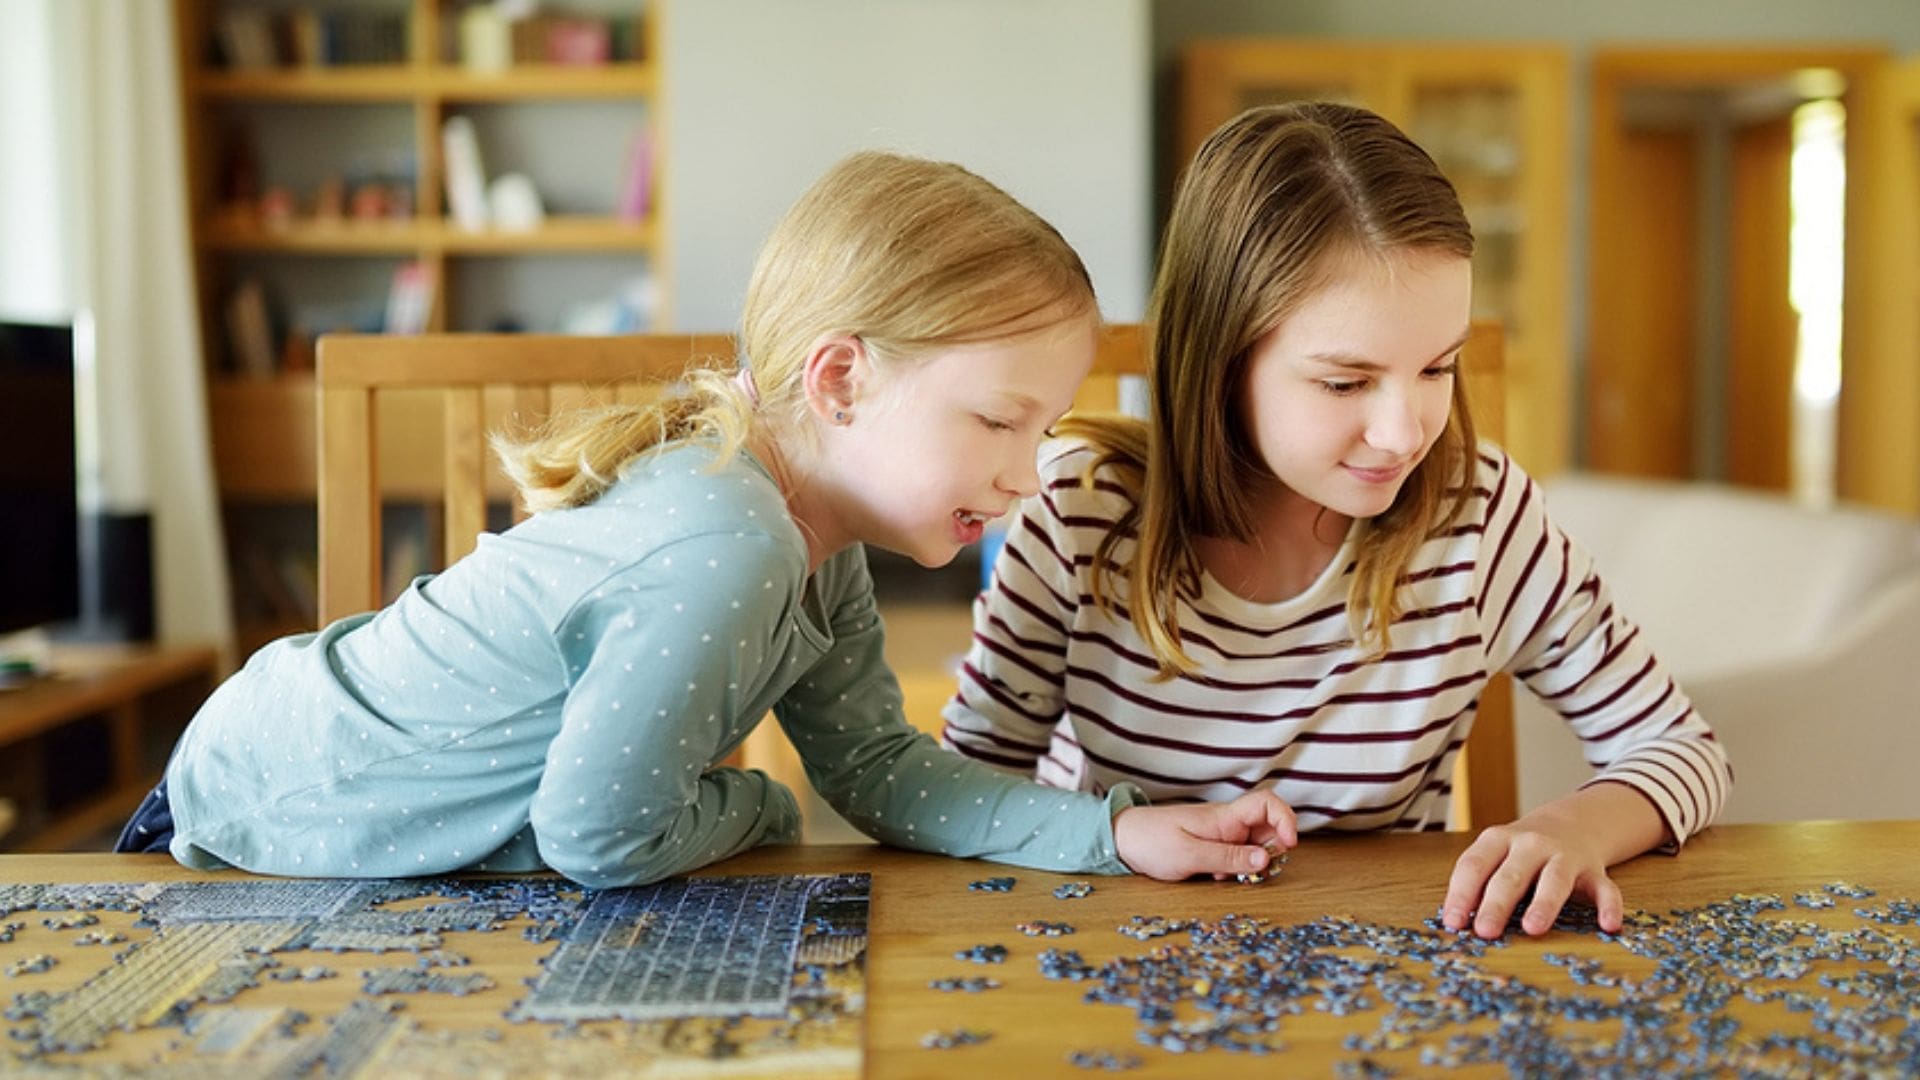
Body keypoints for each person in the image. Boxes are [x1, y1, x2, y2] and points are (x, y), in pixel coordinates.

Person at [116, 151, 1296, 888]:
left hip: (296, 783)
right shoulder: (729, 544)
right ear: (840, 381)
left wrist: (1114, 834)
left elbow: (877, 768)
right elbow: (599, 839)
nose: (1032, 474)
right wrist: (762, 802)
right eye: (1001, 421)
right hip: (265, 813)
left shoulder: (811, 536)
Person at [941, 103, 1732, 938]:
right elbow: (957, 797)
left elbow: (1684, 751)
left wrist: (1569, 827)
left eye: (1439, 367)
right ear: (1220, 361)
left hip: (1390, 972)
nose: (1403, 433)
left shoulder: (1481, 516)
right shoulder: (1081, 516)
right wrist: (1110, 837)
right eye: (1345, 383)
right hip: (1104, 960)